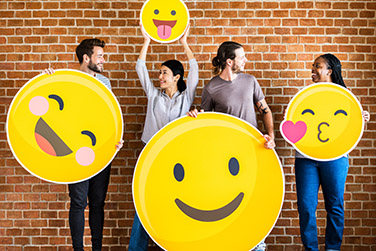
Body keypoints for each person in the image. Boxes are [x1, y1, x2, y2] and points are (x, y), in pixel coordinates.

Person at [188, 41, 275, 251]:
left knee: (252, 197)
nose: (246, 60)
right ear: (230, 61)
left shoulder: (250, 81)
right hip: (224, 156)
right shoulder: (211, 88)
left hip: (251, 151)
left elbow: (265, 111)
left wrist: (271, 135)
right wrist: (194, 116)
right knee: (229, 199)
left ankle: (257, 244)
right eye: (242, 57)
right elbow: (206, 121)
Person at [43, 38, 123, 251]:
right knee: (78, 202)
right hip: (74, 152)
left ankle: (97, 248)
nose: (103, 60)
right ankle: (78, 249)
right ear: (86, 58)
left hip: (101, 150)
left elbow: (108, 116)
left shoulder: (105, 82)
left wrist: (115, 139)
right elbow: (52, 107)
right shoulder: (67, 80)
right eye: (100, 56)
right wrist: (47, 80)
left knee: (98, 203)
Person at [128, 24, 199, 251]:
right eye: (159, 72)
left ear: (176, 77)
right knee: (145, 202)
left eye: (164, 72)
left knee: (179, 202)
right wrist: (147, 40)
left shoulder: (186, 97)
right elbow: (140, 68)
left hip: (178, 156)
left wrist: (184, 42)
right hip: (152, 153)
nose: (159, 76)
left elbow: (195, 69)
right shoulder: (153, 95)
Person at [294, 53, 370, 251]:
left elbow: (349, 129)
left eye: (317, 66)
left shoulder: (345, 97)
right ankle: (311, 248)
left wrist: (360, 118)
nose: (312, 69)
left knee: (335, 205)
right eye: (313, 66)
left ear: (329, 70)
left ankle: (333, 248)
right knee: (306, 207)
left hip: (335, 157)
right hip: (306, 158)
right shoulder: (305, 96)